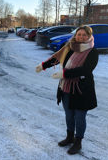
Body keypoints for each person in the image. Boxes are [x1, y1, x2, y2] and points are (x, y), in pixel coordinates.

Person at [35, 25, 98, 155]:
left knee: (80, 118)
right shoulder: (70, 46)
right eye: (79, 34)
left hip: (82, 90)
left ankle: (78, 142)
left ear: (89, 36)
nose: (81, 37)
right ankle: (69, 137)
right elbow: (57, 58)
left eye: (84, 35)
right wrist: (43, 66)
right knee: (69, 115)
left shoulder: (92, 52)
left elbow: (85, 70)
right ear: (75, 35)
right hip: (66, 88)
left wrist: (64, 74)